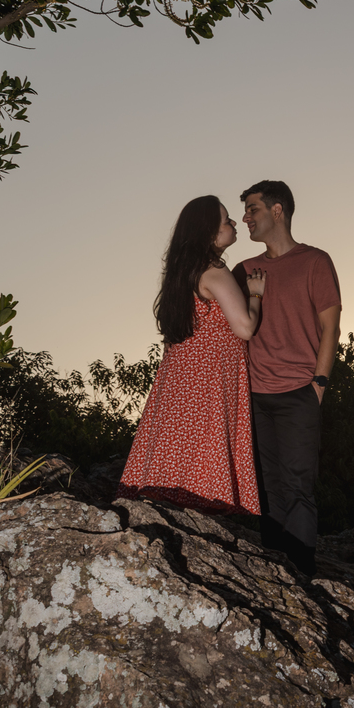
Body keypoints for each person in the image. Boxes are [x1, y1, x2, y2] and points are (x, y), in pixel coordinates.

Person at [117, 196, 266, 515]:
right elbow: (244, 328)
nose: (233, 224)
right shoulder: (213, 270)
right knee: (205, 446)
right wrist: (255, 293)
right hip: (209, 373)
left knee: (180, 446)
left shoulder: (182, 274)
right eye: (226, 220)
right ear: (209, 232)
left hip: (181, 373)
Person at [232, 181, 340, 577]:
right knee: (265, 489)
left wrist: (319, 386)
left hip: (299, 393)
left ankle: (302, 577)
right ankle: (274, 573)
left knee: (297, 487)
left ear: (277, 211)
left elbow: (331, 328)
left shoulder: (315, 262)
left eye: (252, 209)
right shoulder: (243, 270)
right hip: (254, 395)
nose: (246, 217)